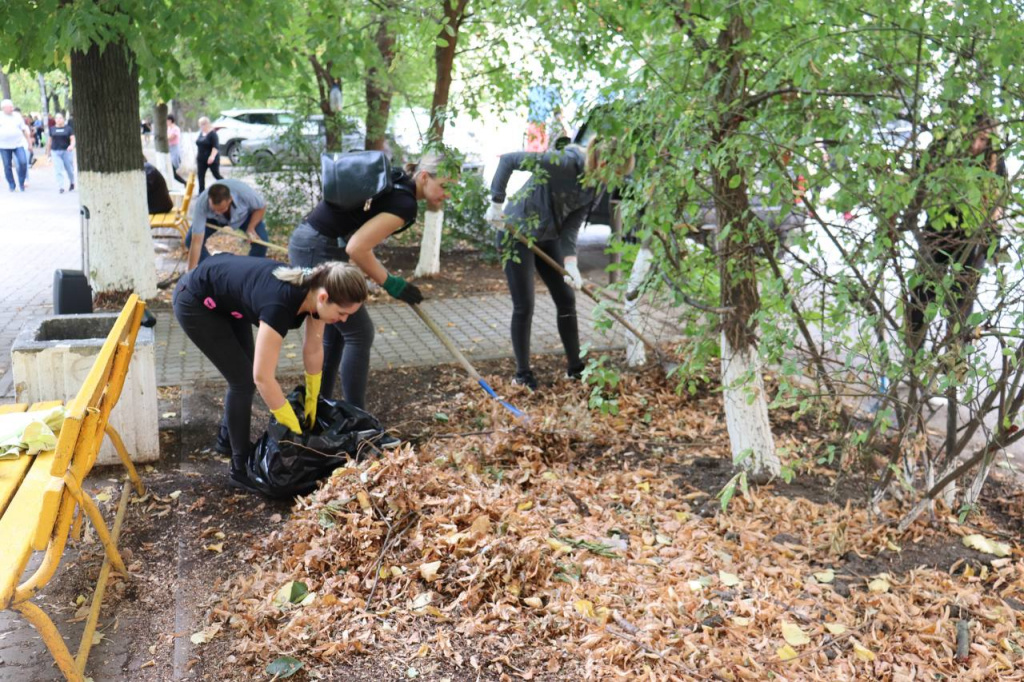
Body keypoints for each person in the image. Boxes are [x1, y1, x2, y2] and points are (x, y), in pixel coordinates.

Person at [172, 255, 368, 488]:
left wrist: (312, 399)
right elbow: (263, 377)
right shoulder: (279, 305)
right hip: (195, 301)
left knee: (243, 373)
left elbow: (314, 350)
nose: (344, 320)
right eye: (343, 313)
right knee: (243, 381)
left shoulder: (316, 292)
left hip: (228, 301)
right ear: (324, 297)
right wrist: (291, 426)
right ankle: (240, 467)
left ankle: (227, 439)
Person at [288, 151, 455, 409]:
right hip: (317, 247)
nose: (447, 194)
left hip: (314, 242)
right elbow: (357, 248)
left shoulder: (398, 181)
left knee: (336, 332)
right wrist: (392, 284)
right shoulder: (405, 203)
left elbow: (357, 236)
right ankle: (357, 416)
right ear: (424, 177)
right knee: (359, 332)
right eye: (444, 186)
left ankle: (320, 407)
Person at [486, 138, 634, 389]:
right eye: (615, 173)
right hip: (517, 233)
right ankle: (523, 375)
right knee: (525, 305)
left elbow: (572, 225)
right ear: (603, 162)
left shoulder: (595, 185)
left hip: (549, 237)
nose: (614, 180)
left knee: (566, 299)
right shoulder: (564, 163)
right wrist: (496, 203)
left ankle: (575, 368)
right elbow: (509, 160)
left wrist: (571, 262)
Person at [907, 115, 1008, 354]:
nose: (975, 145)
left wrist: (991, 244)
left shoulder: (997, 163)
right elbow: (919, 180)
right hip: (937, 233)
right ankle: (913, 358)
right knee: (921, 296)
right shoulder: (944, 149)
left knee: (962, 306)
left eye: (982, 139)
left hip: (973, 241)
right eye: (971, 137)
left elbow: (998, 208)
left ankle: (954, 366)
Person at [186, 178, 270, 270]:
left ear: (230, 199)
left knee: (261, 242)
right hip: (213, 220)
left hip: (244, 217)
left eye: (221, 209)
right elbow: (196, 242)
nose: (218, 212)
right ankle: (210, 269)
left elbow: (261, 207)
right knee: (190, 239)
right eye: (214, 209)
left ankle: (252, 272)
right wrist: (190, 274)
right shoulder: (202, 204)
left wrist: (251, 227)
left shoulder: (244, 193)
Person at [0, 99, 31, 192]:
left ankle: (21, 182)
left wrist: (29, 143)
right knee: (7, 165)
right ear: (4, 108)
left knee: (23, 162)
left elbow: (24, 129)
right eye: (9, 107)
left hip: (18, 143)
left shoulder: (17, 116)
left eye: (12, 106)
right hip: (4, 145)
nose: (12, 108)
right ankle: (12, 184)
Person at [45, 113, 75, 193]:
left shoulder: (68, 129)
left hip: (66, 151)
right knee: (58, 169)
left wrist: (71, 146)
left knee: (69, 169)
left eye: (60, 118)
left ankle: (72, 182)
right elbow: (49, 141)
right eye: (57, 118)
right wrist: (48, 154)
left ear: (63, 119)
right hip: (55, 151)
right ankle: (61, 186)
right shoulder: (52, 129)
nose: (58, 120)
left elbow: (72, 139)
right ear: (55, 120)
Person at [195, 116, 222, 192]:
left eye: (203, 124)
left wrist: (212, 156)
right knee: (201, 176)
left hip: (211, 158)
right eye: (200, 124)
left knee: (216, 174)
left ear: (207, 124)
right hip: (201, 158)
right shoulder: (201, 133)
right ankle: (201, 192)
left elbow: (215, 146)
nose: (201, 126)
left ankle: (226, 185)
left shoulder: (213, 134)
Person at [167, 114, 185, 185]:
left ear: (170, 121)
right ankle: (184, 183)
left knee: (172, 169)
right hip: (169, 149)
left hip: (174, 149)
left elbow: (171, 137)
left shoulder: (175, 129)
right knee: (171, 171)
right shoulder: (168, 128)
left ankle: (184, 182)